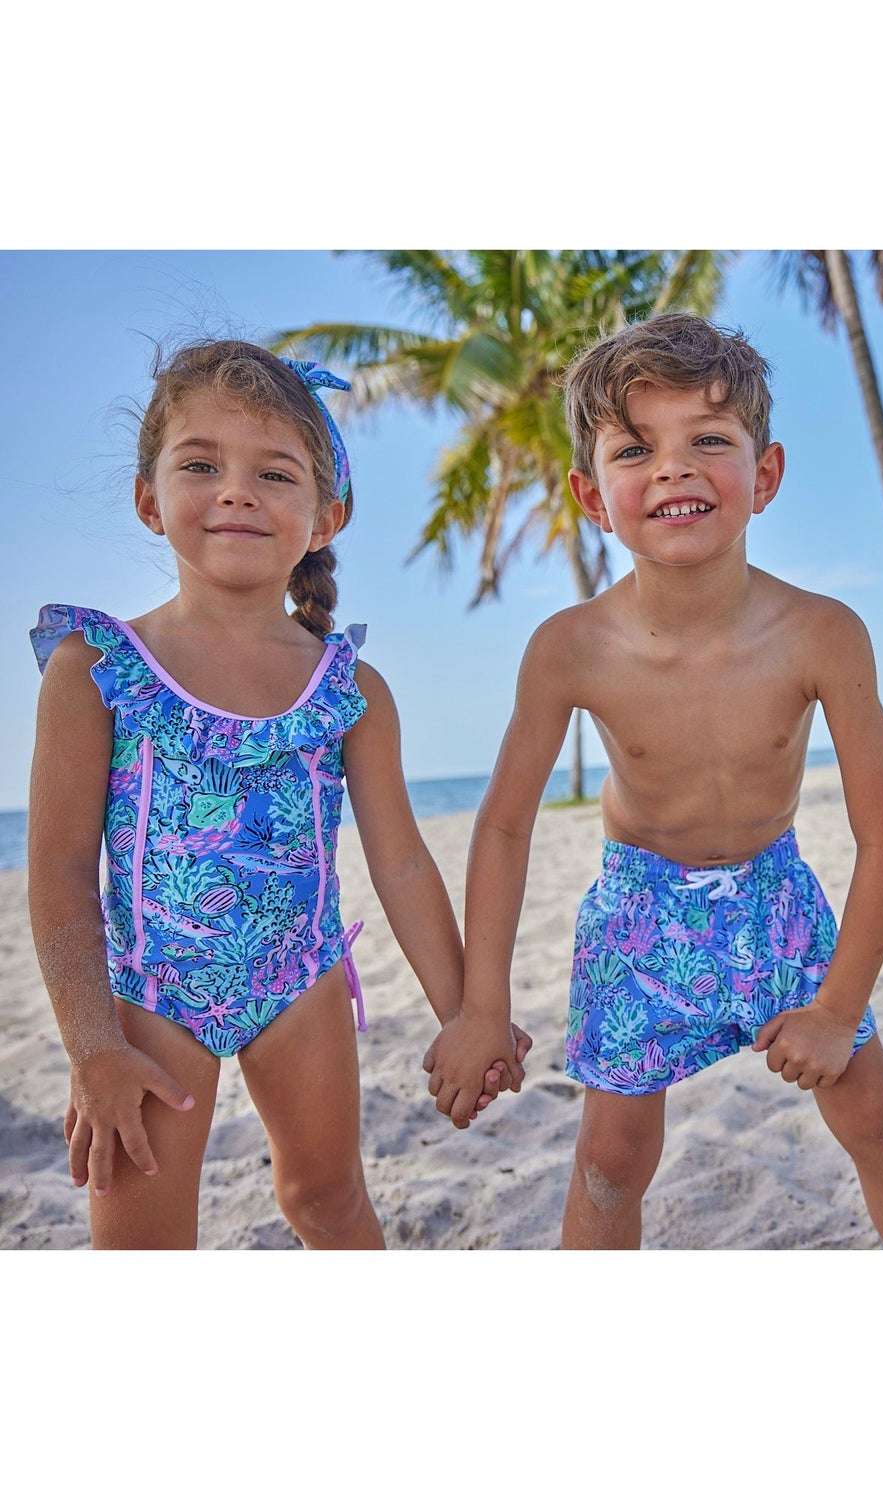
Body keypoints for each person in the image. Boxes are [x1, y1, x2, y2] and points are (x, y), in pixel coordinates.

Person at [423, 314, 883, 1249]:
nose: (673, 469)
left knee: (877, 1121)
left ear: (766, 475)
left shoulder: (822, 634)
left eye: (708, 440)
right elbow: (504, 827)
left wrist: (836, 1012)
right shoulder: (570, 648)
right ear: (593, 496)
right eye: (637, 450)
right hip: (640, 914)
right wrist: (482, 1008)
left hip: (777, 898)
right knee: (612, 1160)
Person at [27, 339, 523, 1250]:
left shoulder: (349, 689)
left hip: (301, 983)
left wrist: (468, 1013)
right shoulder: (96, 667)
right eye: (201, 465)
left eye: (275, 473)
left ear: (326, 516)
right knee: (141, 1248)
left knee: (328, 1202)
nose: (237, 492)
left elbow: (402, 865)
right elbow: (58, 871)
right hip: (149, 996)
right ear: (149, 500)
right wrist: (93, 1047)